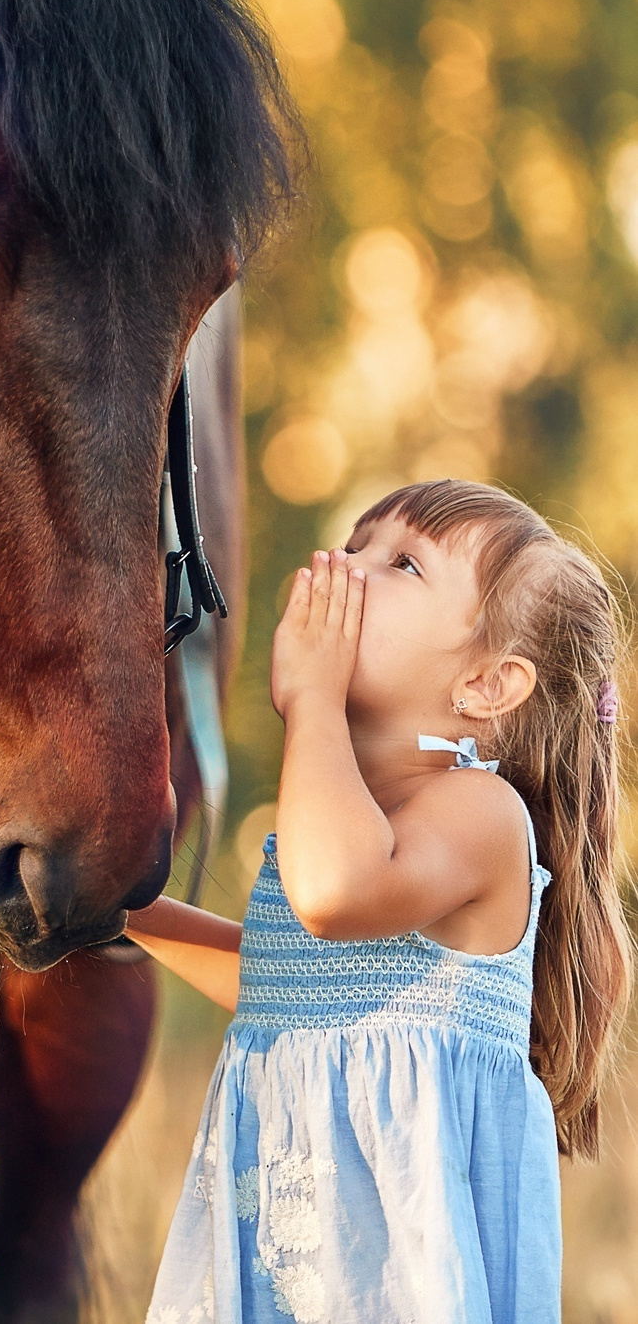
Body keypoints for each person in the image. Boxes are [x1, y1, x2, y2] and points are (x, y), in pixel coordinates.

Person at [129, 479, 630, 1324]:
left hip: (390, 1275)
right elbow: (286, 985)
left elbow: (329, 898)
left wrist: (312, 700)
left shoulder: (481, 816)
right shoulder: (347, 814)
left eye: (400, 562)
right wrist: (125, 909)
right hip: (287, 1253)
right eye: (355, 541)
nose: (344, 565)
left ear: (487, 686)